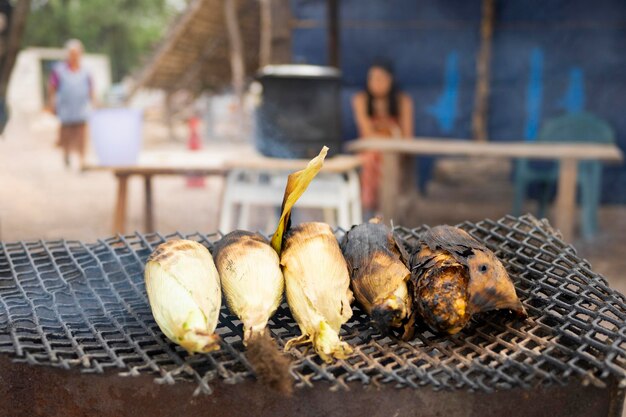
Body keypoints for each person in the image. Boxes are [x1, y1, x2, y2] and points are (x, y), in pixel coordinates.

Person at [352, 60, 414, 216]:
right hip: (369, 154)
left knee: (386, 159)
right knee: (372, 157)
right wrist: (390, 132)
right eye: (372, 78)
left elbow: (407, 138)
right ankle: (370, 210)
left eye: (380, 79)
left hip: (394, 154)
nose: (376, 83)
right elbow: (367, 134)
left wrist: (383, 134)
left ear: (390, 80)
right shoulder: (361, 100)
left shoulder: (403, 101)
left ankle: (386, 212)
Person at [48, 39, 94, 169]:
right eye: (72, 53)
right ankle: (66, 153)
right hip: (65, 106)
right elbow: (52, 87)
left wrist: (94, 104)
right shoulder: (59, 70)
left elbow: (91, 89)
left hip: (81, 106)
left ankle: (82, 159)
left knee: (82, 133)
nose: (74, 55)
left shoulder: (86, 70)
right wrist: (52, 104)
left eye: (77, 53)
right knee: (66, 132)